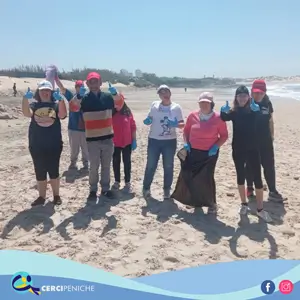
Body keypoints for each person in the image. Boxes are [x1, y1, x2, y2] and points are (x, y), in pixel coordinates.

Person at [220, 86, 272, 222]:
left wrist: (258, 112)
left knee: (257, 178)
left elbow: (262, 119)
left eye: (244, 95)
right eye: (239, 96)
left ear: (248, 97)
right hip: (238, 149)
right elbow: (224, 118)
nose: (242, 98)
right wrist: (222, 112)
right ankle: (244, 204)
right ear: (236, 98)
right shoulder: (234, 112)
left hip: (253, 148)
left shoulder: (254, 110)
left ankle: (260, 209)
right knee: (240, 176)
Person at [70, 72, 124, 200]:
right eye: (91, 82)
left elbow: (120, 105)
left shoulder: (107, 97)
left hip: (108, 138)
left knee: (106, 166)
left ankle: (105, 189)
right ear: (87, 84)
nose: (94, 84)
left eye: (96, 81)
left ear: (101, 83)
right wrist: (78, 96)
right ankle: (93, 190)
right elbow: (73, 107)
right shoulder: (84, 98)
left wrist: (115, 94)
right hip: (92, 139)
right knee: (93, 167)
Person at [179, 92, 228, 213]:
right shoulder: (192, 116)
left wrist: (216, 146)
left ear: (211, 104)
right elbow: (186, 131)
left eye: (206, 103)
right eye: (202, 103)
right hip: (193, 151)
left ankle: (212, 204)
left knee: (207, 177)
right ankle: (196, 202)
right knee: (193, 176)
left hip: (209, 153)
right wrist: (186, 142)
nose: (204, 105)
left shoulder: (218, 118)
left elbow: (224, 135)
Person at [21, 80, 67, 206]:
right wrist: (25, 99)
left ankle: (56, 195)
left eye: (47, 90)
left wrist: (61, 100)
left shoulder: (56, 105)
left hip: (54, 144)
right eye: (42, 90)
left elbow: (63, 115)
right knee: (40, 170)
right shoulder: (34, 106)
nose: (45, 93)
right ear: (38, 92)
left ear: (51, 92)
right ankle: (41, 197)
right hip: (37, 144)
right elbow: (26, 113)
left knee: (54, 170)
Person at [143, 84, 184, 199]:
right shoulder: (154, 105)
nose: (164, 94)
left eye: (166, 92)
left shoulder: (176, 107)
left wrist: (176, 124)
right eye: (161, 93)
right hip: (154, 140)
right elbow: (150, 117)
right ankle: (146, 188)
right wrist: (148, 120)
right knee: (151, 165)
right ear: (159, 95)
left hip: (169, 141)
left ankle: (166, 189)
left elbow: (182, 124)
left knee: (168, 166)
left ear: (170, 93)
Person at [246, 79, 284, 202]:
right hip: (251, 141)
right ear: (251, 92)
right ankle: (250, 188)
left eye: (261, 93)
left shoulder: (268, 103)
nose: (258, 95)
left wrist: (272, 136)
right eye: (255, 92)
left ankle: (272, 191)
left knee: (269, 165)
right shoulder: (246, 102)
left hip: (266, 140)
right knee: (251, 166)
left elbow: (270, 120)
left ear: (265, 92)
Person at [55, 76, 89, 170]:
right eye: (78, 86)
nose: (79, 88)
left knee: (86, 148)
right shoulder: (71, 96)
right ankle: (73, 163)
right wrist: (56, 80)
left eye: (81, 86)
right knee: (74, 148)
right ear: (75, 87)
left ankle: (86, 163)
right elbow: (62, 89)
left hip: (85, 128)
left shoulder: (87, 97)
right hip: (73, 127)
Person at [111, 98, 137, 193]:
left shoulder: (128, 112)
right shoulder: (111, 113)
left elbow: (133, 126)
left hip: (127, 142)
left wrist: (134, 140)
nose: (116, 106)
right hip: (115, 142)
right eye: (115, 104)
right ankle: (117, 181)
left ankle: (127, 182)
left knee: (127, 162)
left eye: (118, 104)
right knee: (115, 162)